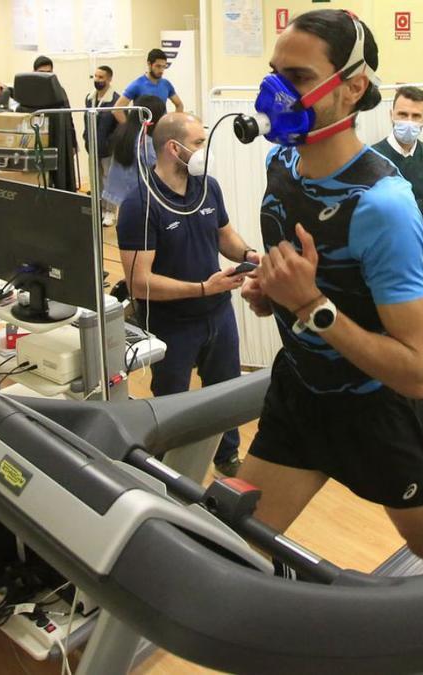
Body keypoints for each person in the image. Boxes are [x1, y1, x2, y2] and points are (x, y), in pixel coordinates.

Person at [239, 9, 423, 572]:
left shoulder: (385, 205)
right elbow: (311, 282)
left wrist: (310, 306)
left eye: (295, 78)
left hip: (377, 415)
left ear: (352, 88)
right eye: (272, 73)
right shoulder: (282, 163)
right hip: (300, 396)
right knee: (232, 544)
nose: (274, 91)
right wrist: (273, 291)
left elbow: (418, 373)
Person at [117, 113, 260, 477]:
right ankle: (168, 474)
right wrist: (200, 288)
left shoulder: (208, 187)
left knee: (226, 393)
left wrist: (247, 255)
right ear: (173, 148)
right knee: (173, 405)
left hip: (218, 314)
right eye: (198, 143)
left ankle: (227, 457)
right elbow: (139, 283)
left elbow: (224, 234)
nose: (204, 151)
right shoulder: (140, 204)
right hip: (172, 326)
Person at [371, 86, 423, 379]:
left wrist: (398, 209)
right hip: (382, 255)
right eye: (403, 113)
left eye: (416, 116)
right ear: (391, 114)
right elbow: (372, 208)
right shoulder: (372, 156)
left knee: (416, 320)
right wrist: (416, 211)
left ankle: (416, 368)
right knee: (381, 320)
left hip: (421, 254)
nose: (408, 120)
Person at [101, 95, 165, 217]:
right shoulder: (144, 141)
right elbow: (156, 167)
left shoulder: (124, 132)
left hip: (122, 195)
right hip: (138, 197)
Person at [113, 48, 184, 124]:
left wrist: (174, 123)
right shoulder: (137, 85)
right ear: (149, 64)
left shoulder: (166, 84)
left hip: (160, 130)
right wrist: (129, 130)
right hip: (143, 130)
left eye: (164, 66)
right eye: (158, 66)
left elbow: (179, 105)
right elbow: (117, 110)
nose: (161, 70)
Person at [84, 66, 120, 193]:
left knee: (109, 181)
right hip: (92, 149)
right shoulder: (89, 99)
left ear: (109, 79)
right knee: (95, 181)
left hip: (108, 150)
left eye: (101, 77)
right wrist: (86, 138)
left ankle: (109, 210)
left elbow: (119, 127)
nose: (97, 79)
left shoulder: (116, 100)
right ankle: (97, 208)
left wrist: (110, 142)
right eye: (95, 76)